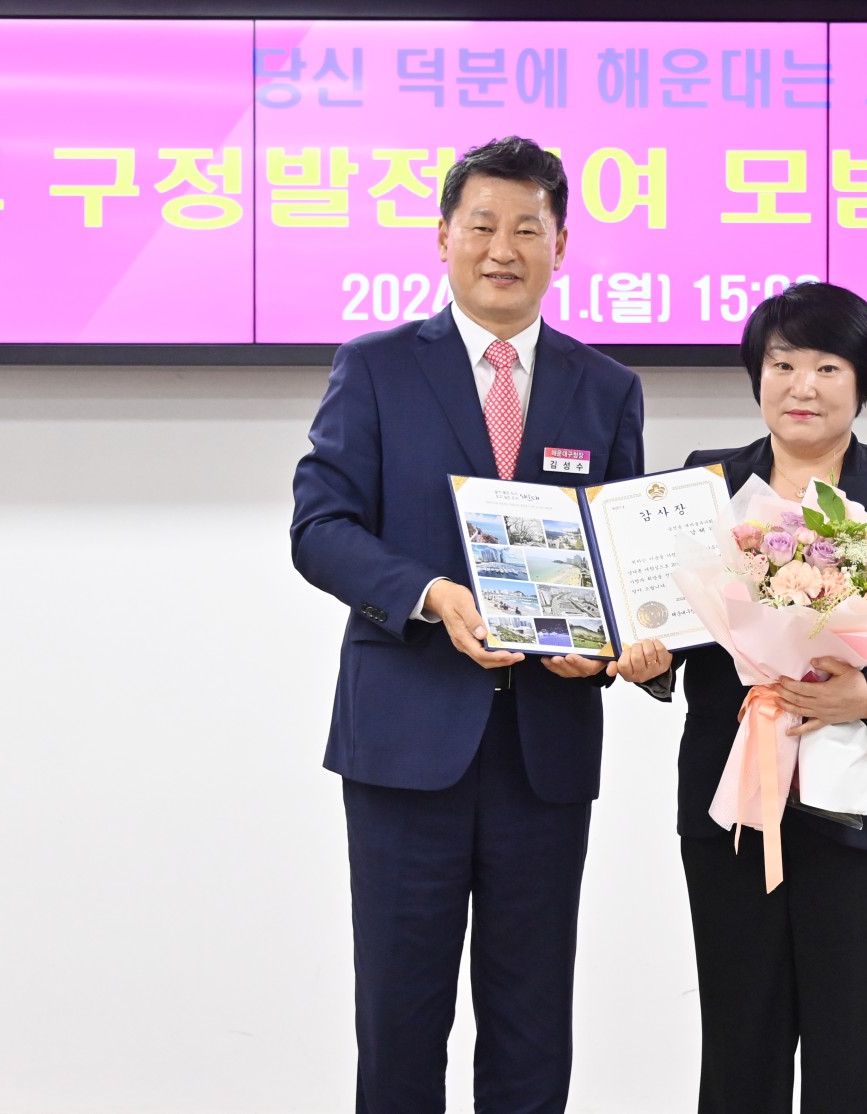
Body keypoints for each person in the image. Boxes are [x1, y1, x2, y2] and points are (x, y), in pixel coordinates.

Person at [290, 136, 644, 1114]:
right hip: (406, 744)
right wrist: (431, 595)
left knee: (532, 1022)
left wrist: (603, 649)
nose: (502, 248)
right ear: (442, 236)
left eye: (528, 228)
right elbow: (320, 528)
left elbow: (619, 562)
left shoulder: (605, 388)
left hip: (544, 749)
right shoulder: (375, 368)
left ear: (561, 246)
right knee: (400, 1017)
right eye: (482, 225)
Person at [611, 282, 867, 1114]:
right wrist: (646, 661)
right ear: (758, 376)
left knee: (856, 1046)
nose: (802, 387)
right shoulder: (704, 486)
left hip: (860, 814)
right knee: (739, 1040)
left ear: (861, 383)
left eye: (827, 367)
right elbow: (667, 628)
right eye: (782, 365)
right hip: (731, 804)